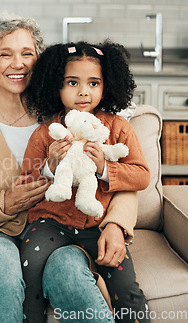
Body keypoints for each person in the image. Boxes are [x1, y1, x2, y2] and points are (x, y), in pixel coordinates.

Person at [0, 13, 139, 323]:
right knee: (0, 257)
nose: (19, 63)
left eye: (27, 53)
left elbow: (121, 178)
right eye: (5, 54)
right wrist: (4, 205)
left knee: (66, 266)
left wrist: (116, 225)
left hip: (64, 233)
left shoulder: (71, 115)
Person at [20, 40, 150, 322]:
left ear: (107, 86)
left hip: (97, 225)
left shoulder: (117, 128)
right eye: (72, 82)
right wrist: (50, 168)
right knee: (29, 273)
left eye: (93, 83)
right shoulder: (46, 133)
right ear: (56, 85)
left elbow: (141, 175)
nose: (83, 91)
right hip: (49, 222)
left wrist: (105, 167)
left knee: (126, 287)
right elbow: (26, 179)